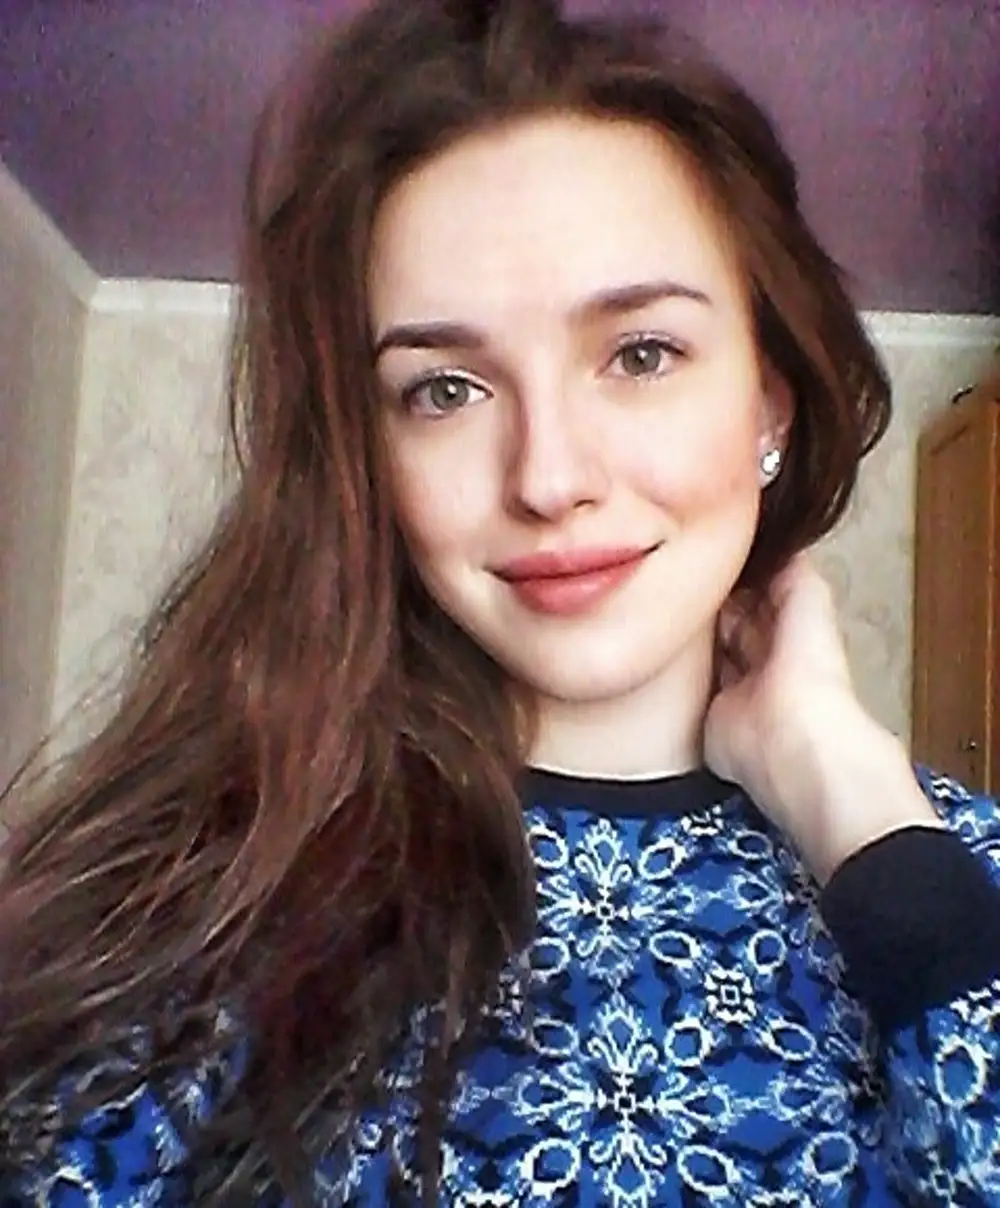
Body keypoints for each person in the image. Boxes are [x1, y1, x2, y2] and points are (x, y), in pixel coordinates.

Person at [1, 0, 999, 1203]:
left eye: (639, 353)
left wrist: (861, 811)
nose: (547, 477)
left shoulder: (959, 864)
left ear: (768, 406)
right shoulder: (214, 890)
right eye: (445, 389)